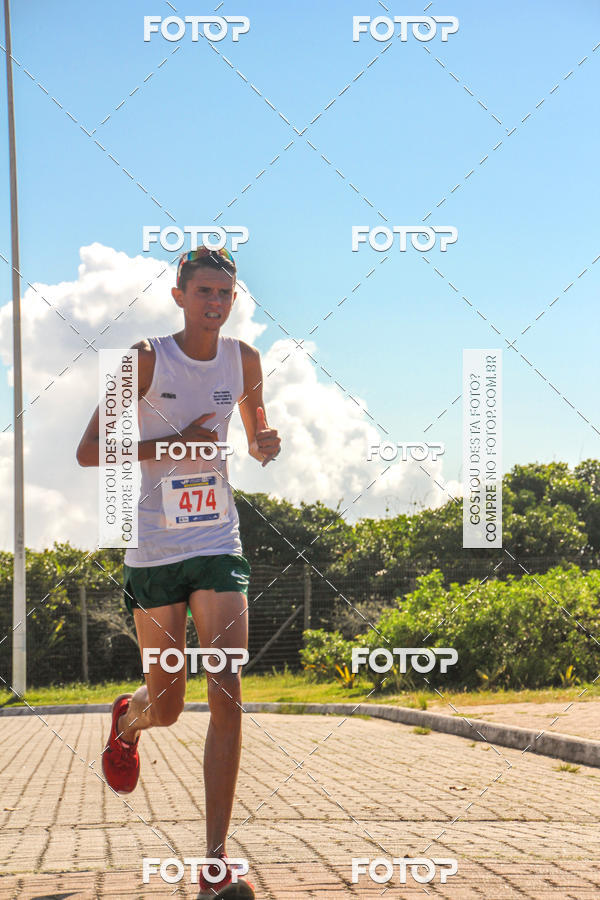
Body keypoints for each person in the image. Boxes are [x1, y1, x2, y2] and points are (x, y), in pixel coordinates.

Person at [77, 246, 281, 899]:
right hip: (156, 549)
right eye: (204, 292)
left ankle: (215, 862)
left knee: (226, 688)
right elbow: (89, 451)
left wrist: (265, 443)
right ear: (179, 296)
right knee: (167, 707)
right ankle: (128, 719)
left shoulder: (244, 360)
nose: (215, 303)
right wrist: (169, 444)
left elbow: (256, 432)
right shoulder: (145, 359)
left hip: (217, 540)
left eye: (225, 293)